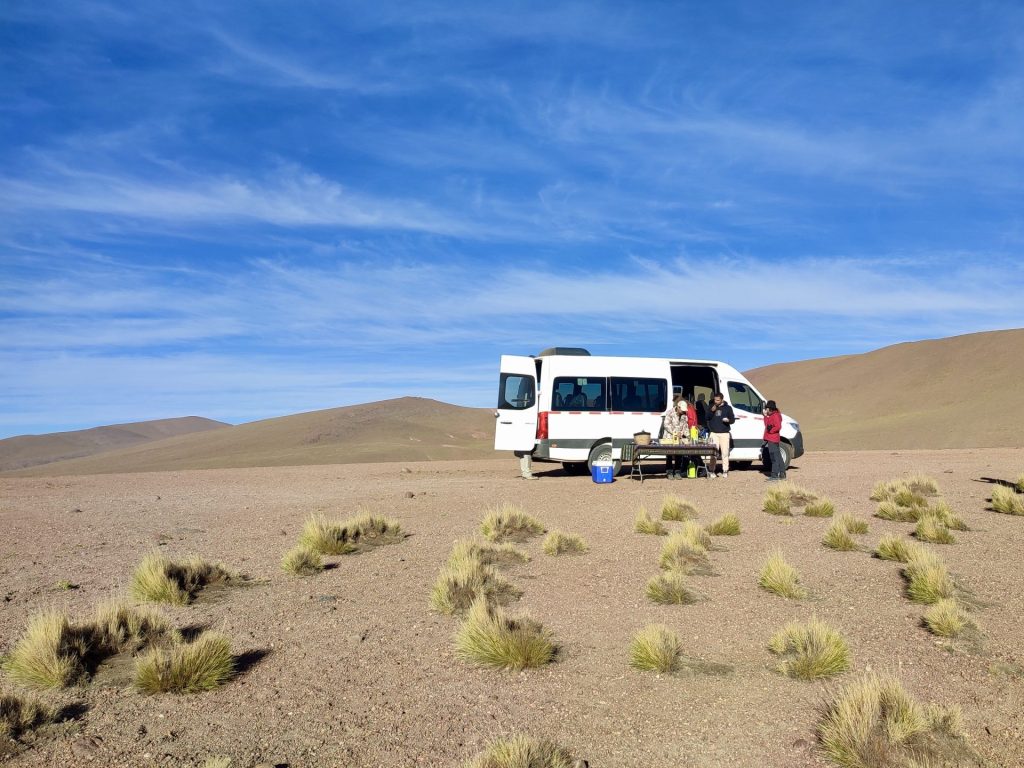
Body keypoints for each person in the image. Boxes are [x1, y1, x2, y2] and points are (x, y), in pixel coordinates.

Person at [706, 392, 734, 478]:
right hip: (714, 433)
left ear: (722, 400)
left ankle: (725, 470)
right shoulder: (711, 406)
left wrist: (728, 420)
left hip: (724, 433)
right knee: (713, 453)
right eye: (715, 399)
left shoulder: (728, 408)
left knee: (725, 453)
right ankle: (711, 470)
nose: (716, 401)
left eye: (718, 400)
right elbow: (707, 417)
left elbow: (732, 420)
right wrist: (712, 411)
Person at [661, 398, 687, 478]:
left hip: (679, 439)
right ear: (678, 407)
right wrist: (675, 433)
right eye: (682, 410)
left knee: (679, 454)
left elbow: (685, 426)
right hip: (669, 437)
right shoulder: (669, 413)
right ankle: (669, 472)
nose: (683, 412)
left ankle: (677, 472)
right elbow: (666, 425)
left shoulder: (684, 415)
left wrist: (685, 434)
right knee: (669, 454)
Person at [763, 399, 786, 481]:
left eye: (767, 409)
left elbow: (778, 427)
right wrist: (765, 416)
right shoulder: (772, 416)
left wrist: (771, 430)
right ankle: (782, 474)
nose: (766, 410)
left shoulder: (775, 416)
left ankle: (774, 475)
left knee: (774, 458)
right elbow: (766, 424)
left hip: (773, 439)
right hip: (772, 439)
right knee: (778, 457)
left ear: (770, 408)